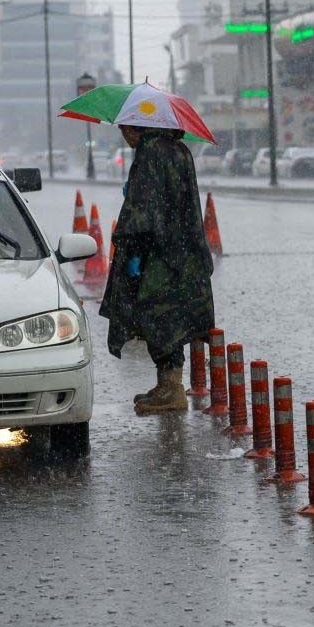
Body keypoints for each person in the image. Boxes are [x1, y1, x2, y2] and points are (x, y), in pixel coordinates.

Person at [101, 124, 215, 414]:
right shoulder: (179, 150)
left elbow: (144, 214)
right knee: (172, 318)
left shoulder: (150, 151)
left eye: (123, 129)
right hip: (182, 252)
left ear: (132, 128)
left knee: (154, 316)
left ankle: (172, 389)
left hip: (158, 253)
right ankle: (168, 383)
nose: (123, 135)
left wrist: (133, 252)